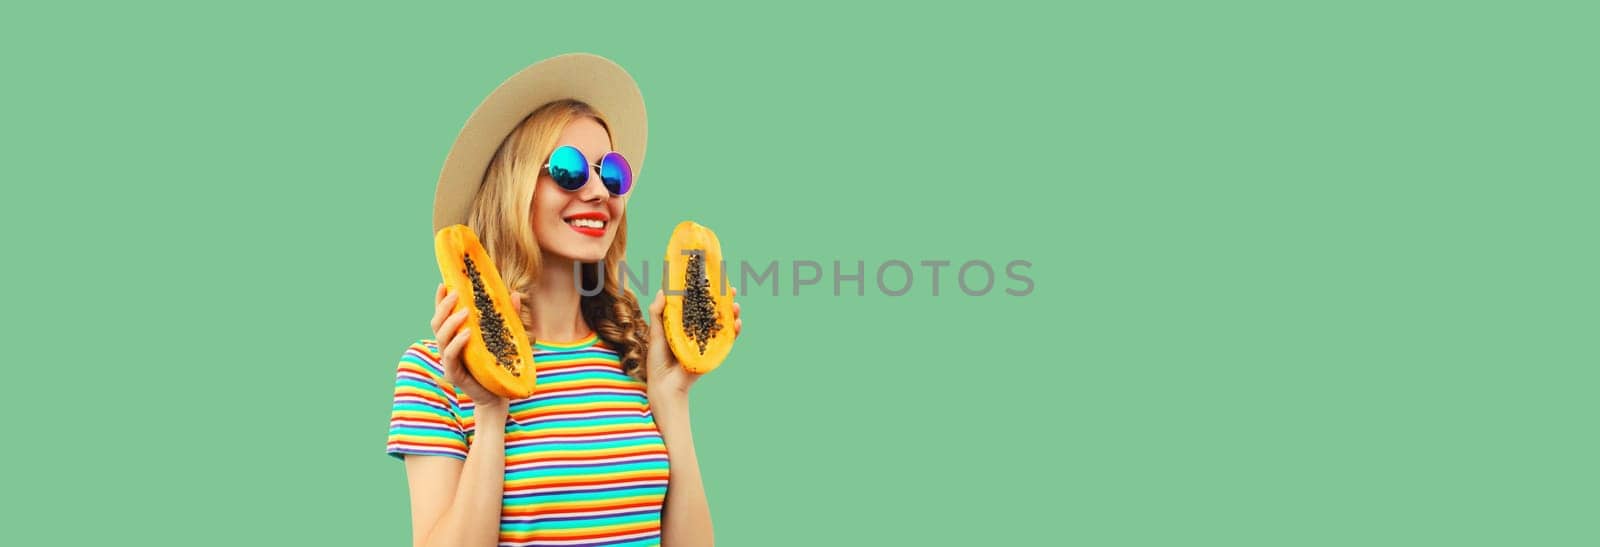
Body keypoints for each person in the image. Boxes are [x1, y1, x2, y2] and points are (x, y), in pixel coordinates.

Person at [385, 53, 740, 547]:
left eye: (611, 172)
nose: (598, 190)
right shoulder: (434, 372)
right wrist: (490, 413)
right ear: (513, 188)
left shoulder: (634, 357)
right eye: (569, 169)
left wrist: (670, 397)